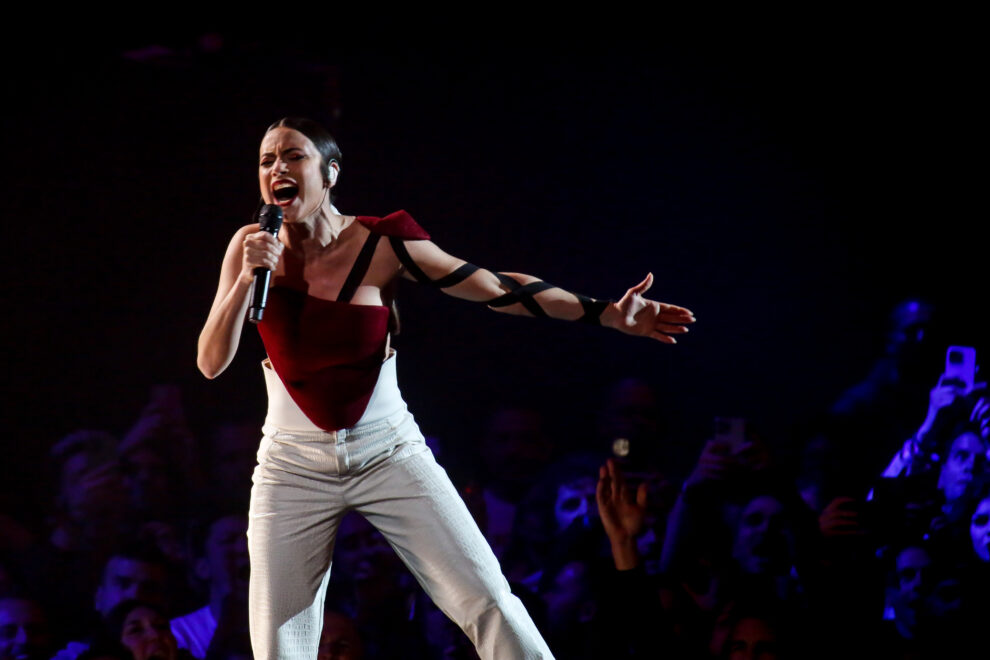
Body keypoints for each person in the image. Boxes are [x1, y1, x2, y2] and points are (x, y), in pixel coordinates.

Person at [196, 116, 696, 660]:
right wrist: (247, 278)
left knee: (487, 601)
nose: (277, 170)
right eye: (267, 161)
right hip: (291, 465)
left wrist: (607, 315)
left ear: (330, 171)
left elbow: (497, 288)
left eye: (293, 156)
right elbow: (210, 362)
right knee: (277, 642)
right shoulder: (251, 247)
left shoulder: (383, 243)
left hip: (386, 449)